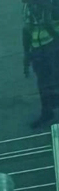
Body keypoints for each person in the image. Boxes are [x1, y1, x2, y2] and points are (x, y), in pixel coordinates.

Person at [24, 0, 59, 129]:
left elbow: (53, 20)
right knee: (43, 84)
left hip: (53, 46)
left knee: (55, 80)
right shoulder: (28, 6)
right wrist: (27, 53)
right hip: (38, 49)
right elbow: (26, 29)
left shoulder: (52, 3)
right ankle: (47, 112)